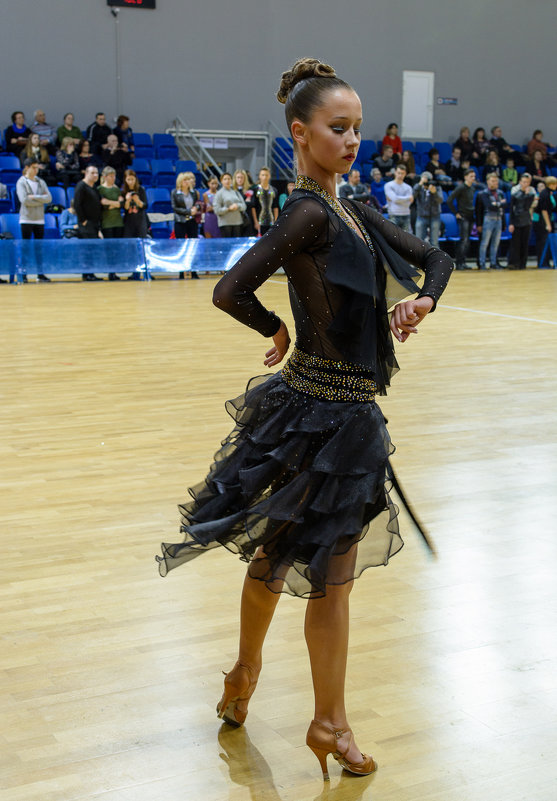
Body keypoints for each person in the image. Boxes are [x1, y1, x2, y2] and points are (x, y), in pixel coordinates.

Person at [156, 57, 453, 780]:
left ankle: (244, 674)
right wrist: (276, 328)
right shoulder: (309, 213)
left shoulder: (351, 208)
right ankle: (328, 720)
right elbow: (230, 289)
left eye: (356, 127)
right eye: (336, 127)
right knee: (330, 574)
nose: (352, 138)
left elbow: (434, 257)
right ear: (300, 132)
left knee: (280, 553)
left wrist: (422, 300)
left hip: (331, 414)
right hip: (323, 417)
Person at [16, 159, 52, 282]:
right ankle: (24, 275)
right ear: (27, 167)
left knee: (39, 249)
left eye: (37, 167)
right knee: (26, 248)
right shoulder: (21, 182)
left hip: (39, 219)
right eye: (33, 167)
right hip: (26, 219)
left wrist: (35, 197)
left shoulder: (40, 182)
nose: (36, 170)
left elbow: (49, 198)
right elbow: (24, 200)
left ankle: (40, 274)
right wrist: (40, 200)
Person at [73, 164, 103, 281]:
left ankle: (90, 273)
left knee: (92, 249)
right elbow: (77, 204)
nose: (95, 175)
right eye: (92, 173)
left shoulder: (94, 187)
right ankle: (87, 274)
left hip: (94, 223)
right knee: (87, 249)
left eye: (96, 173)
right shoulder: (81, 186)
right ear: (86, 173)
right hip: (86, 224)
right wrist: (83, 220)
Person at [171, 171, 201, 279]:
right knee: (181, 246)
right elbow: (175, 208)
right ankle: (181, 272)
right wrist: (188, 211)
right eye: (185, 180)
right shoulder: (175, 192)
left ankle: (193, 271)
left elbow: (198, 203)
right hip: (180, 221)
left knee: (193, 246)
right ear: (180, 182)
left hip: (192, 221)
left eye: (189, 180)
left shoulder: (193, 192)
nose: (188, 182)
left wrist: (196, 208)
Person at [476, 173, 506, 269]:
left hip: (499, 219)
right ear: (488, 181)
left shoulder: (500, 193)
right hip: (488, 220)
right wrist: (479, 224)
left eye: (496, 181)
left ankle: (493, 263)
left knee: (495, 243)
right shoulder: (483, 194)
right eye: (493, 181)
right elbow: (487, 206)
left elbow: (504, 206)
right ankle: (482, 263)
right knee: (485, 243)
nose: (495, 183)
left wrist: (504, 222)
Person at [448, 169, 477, 269]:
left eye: (474, 176)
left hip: (470, 216)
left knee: (467, 240)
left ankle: (463, 262)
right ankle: (459, 262)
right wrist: (456, 213)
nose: (473, 178)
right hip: (463, 216)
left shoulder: (472, 188)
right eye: (471, 176)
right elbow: (449, 200)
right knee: (463, 240)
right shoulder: (460, 188)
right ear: (465, 177)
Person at [98, 166, 124, 280]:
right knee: (109, 248)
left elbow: (120, 204)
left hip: (118, 221)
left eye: (114, 176)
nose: (113, 178)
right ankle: (110, 271)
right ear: (105, 177)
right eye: (111, 176)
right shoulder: (100, 189)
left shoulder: (116, 189)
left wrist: (110, 204)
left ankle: (115, 271)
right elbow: (102, 203)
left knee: (117, 248)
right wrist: (115, 203)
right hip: (106, 222)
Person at [507, 173, 536, 270]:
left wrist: (527, 195)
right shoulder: (515, 194)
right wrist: (511, 223)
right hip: (516, 220)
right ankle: (514, 263)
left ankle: (523, 263)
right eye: (524, 182)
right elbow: (512, 209)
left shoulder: (531, 194)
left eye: (527, 182)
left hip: (526, 219)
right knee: (516, 243)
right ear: (520, 182)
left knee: (525, 243)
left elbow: (527, 206)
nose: (525, 184)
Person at [413, 171, 442, 247]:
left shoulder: (436, 187)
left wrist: (434, 192)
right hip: (421, 216)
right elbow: (412, 197)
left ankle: (436, 259)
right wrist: (420, 184)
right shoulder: (418, 187)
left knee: (434, 242)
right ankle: (418, 258)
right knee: (418, 241)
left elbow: (440, 200)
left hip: (435, 216)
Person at [533, 176, 557, 267]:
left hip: (548, 219)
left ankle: (547, 261)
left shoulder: (551, 193)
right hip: (541, 221)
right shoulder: (544, 194)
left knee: (547, 241)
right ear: (551, 184)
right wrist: (548, 224)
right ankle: (542, 262)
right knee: (542, 241)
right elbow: (544, 210)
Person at [214, 172, 246, 237]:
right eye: (225, 179)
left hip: (237, 223)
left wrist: (238, 206)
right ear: (221, 181)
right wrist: (228, 209)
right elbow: (217, 210)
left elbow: (244, 206)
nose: (227, 181)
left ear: (231, 180)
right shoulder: (219, 193)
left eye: (229, 179)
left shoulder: (235, 192)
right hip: (225, 224)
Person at [250, 167, 280, 236]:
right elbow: (253, 207)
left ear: (269, 176)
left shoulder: (274, 190)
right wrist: (255, 222)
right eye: (263, 175)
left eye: (266, 175)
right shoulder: (255, 189)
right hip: (259, 221)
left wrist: (275, 221)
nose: (264, 177)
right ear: (259, 176)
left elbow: (275, 207)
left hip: (271, 221)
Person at [384, 163, 413, 231]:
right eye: (398, 173)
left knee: (406, 239)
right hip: (393, 215)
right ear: (395, 172)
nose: (400, 175)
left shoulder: (408, 187)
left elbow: (408, 203)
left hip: (406, 215)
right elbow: (395, 199)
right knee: (393, 238)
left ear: (405, 174)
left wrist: (397, 200)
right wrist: (408, 198)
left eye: (402, 173)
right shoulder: (388, 185)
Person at [122, 169, 148, 239]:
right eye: (128, 179)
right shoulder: (123, 191)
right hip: (129, 221)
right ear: (125, 180)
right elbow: (125, 208)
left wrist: (138, 201)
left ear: (135, 179)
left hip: (140, 220)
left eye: (132, 179)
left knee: (141, 240)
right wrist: (127, 200)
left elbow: (145, 206)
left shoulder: (141, 189)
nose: (130, 182)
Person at [233, 169, 254, 235]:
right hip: (235, 219)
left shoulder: (250, 189)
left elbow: (252, 203)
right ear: (235, 179)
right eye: (238, 177)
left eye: (241, 177)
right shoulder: (231, 190)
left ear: (245, 178)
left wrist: (239, 205)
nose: (240, 179)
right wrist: (245, 203)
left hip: (247, 218)